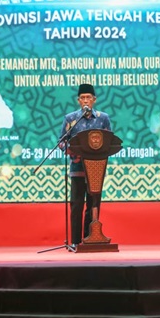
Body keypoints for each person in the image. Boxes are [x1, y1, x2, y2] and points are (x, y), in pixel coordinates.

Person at [59, 83, 112, 247]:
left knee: (93, 205)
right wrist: (72, 152)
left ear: (94, 100)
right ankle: (75, 242)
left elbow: (110, 141)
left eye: (89, 97)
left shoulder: (103, 118)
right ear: (78, 101)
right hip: (78, 170)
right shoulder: (71, 119)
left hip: (96, 170)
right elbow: (61, 142)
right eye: (82, 98)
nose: (86, 100)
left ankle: (90, 239)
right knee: (76, 205)